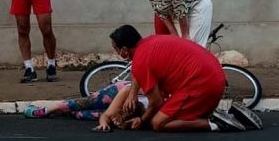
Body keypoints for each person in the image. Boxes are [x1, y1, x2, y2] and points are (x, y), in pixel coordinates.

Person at [109, 25, 261, 132]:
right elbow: (142, 73)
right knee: (169, 111)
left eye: (115, 48)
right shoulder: (151, 42)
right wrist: (132, 94)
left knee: (158, 123)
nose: (115, 51)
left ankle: (216, 123)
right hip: (215, 78)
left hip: (201, 85)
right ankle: (230, 116)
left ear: (123, 51)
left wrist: (142, 120)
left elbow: (156, 102)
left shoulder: (141, 61)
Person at [24, 81, 147, 131]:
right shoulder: (128, 92)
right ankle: (46, 110)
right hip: (120, 92)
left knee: (82, 115)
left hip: (130, 111)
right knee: (88, 102)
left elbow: (107, 116)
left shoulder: (145, 113)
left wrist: (106, 123)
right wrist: (104, 121)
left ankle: (65, 110)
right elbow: (107, 115)